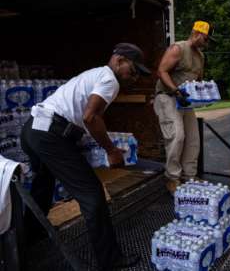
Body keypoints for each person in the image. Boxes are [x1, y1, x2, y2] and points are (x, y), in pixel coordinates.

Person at [20, 43, 151, 270]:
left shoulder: (95, 74)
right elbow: (91, 117)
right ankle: (110, 260)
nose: (135, 76)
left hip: (33, 130)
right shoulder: (110, 80)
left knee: (43, 186)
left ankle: (30, 238)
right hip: (50, 135)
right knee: (92, 195)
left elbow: (84, 117)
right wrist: (111, 150)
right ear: (119, 60)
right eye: (133, 69)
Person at [154, 20, 214, 194]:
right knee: (177, 136)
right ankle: (172, 178)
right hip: (168, 97)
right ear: (196, 34)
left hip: (186, 101)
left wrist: (205, 95)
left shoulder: (201, 57)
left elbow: (199, 81)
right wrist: (175, 90)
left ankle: (189, 176)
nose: (207, 43)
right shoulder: (178, 49)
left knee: (193, 139)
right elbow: (161, 71)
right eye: (206, 39)